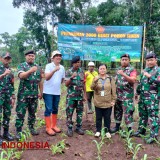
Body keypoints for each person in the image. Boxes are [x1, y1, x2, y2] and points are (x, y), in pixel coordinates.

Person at [15, 50, 43, 140]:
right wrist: (30, 71)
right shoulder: (22, 65)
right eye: (29, 56)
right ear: (26, 57)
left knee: (32, 113)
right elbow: (21, 76)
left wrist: (41, 92)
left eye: (33, 56)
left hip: (34, 95)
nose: (31, 57)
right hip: (23, 95)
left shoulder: (38, 67)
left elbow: (40, 81)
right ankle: (18, 131)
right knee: (20, 113)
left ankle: (31, 128)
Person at [133, 52, 160, 144]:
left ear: (156, 60)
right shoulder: (145, 70)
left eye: (151, 60)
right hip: (143, 98)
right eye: (148, 60)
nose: (150, 62)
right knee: (143, 115)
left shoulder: (158, 71)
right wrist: (137, 92)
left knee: (153, 117)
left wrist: (150, 77)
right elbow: (141, 82)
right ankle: (141, 130)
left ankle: (153, 135)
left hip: (152, 98)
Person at [110, 54, 137, 134]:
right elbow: (115, 80)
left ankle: (130, 130)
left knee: (128, 113)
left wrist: (123, 74)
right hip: (118, 95)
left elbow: (133, 80)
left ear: (129, 60)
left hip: (127, 97)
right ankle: (117, 127)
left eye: (126, 59)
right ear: (120, 61)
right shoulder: (118, 69)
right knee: (117, 111)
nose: (124, 61)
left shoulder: (132, 70)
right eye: (122, 59)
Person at [91, 64, 116, 138]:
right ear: (98, 70)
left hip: (108, 102)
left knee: (107, 117)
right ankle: (98, 131)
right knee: (98, 118)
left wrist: (113, 100)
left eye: (104, 68)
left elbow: (113, 90)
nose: (102, 70)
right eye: (101, 69)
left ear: (106, 70)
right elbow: (92, 88)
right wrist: (94, 82)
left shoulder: (110, 78)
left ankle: (107, 131)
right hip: (98, 102)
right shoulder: (96, 78)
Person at [43, 50, 65, 136]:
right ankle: (48, 128)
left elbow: (62, 79)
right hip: (48, 92)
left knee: (55, 109)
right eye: (56, 56)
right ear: (52, 58)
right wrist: (54, 70)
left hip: (57, 92)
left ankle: (54, 125)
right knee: (48, 109)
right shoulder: (48, 66)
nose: (58, 57)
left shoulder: (62, 68)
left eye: (60, 55)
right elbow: (47, 77)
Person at [65, 56, 86, 137]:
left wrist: (84, 95)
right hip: (71, 97)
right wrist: (71, 77)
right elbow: (66, 84)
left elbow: (83, 83)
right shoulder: (68, 72)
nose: (78, 64)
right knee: (69, 113)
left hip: (80, 97)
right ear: (73, 63)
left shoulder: (81, 71)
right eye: (77, 62)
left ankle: (78, 127)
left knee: (80, 113)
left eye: (79, 62)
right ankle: (69, 128)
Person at [0, 52, 15, 144]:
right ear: (1, 59)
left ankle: (6, 133)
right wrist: (3, 74)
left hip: (7, 96)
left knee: (7, 115)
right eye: (5, 58)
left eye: (8, 58)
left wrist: (13, 97)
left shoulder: (10, 70)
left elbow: (12, 84)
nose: (7, 60)